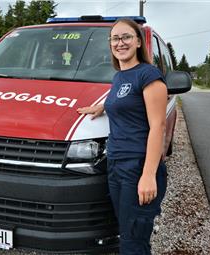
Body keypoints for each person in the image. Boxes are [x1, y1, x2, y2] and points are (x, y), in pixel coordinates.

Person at [77, 19, 168, 255]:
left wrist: (148, 176)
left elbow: (158, 127)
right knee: (126, 231)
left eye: (126, 37)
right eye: (115, 38)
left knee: (133, 240)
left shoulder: (149, 76)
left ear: (138, 42)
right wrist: (101, 107)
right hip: (116, 164)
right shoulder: (119, 77)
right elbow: (123, 102)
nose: (120, 43)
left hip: (137, 166)